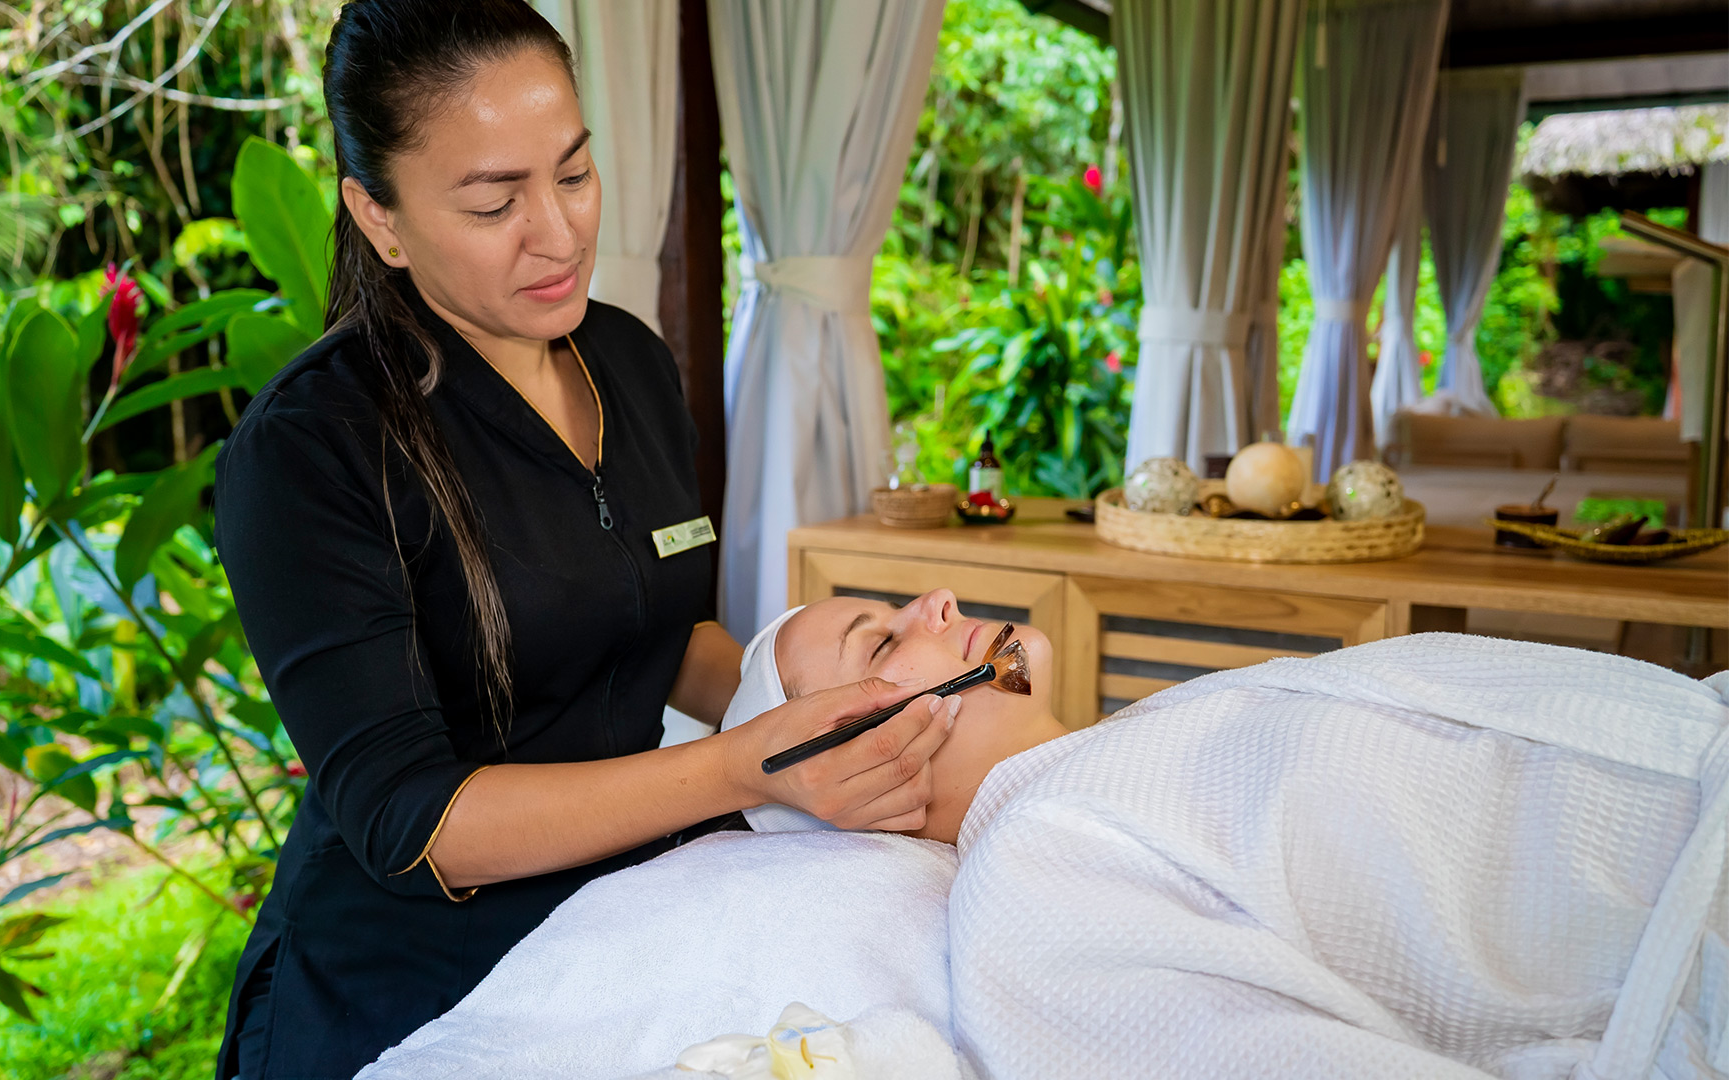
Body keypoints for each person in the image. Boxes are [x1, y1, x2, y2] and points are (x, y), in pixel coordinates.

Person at [211, 4, 954, 1076]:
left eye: (573, 172)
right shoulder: (313, 447)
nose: (558, 234)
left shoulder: (629, 364)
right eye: (494, 201)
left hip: (616, 938)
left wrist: (828, 703)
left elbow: (654, 627)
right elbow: (414, 821)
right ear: (380, 217)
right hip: (411, 991)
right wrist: (746, 767)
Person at [724, 592, 1727, 1079]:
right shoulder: (1030, 892)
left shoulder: (1135, 744)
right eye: (883, 638)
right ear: (847, 770)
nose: (936, 602)